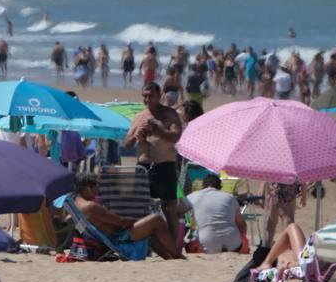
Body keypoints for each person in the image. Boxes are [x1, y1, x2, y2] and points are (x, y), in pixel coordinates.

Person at [72, 173, 181, 259]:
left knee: (151, 229)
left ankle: (170, 258)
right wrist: (142, 220)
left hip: (107, 238)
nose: (98, 189)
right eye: (96, 185)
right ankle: (177, 255)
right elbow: (121, 222)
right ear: (87, 188)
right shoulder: (91, 206)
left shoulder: (76, 204)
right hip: (117, 239)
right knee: (156, 220)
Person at [124, 81, 183, 210]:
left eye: (151, 96)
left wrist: (157, 130)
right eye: (144, 96)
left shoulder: (170, 114)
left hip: (164, 166)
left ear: (159, 95)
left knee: (169, 209)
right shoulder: (139, 117)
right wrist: (136, 135)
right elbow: (127, 144)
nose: (147, 99)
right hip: (143, 168)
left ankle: (171, 230)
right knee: (139, 207)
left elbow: (176, 137)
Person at [176, 173, 247, 253]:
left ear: (202, 186)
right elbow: (242, 225)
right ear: (220, 187)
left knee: (189, 246)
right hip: (233, 243)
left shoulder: (194, 196)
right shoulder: (230, 198)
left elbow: (177, 212)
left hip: (207, 242)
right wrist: (243, 238)